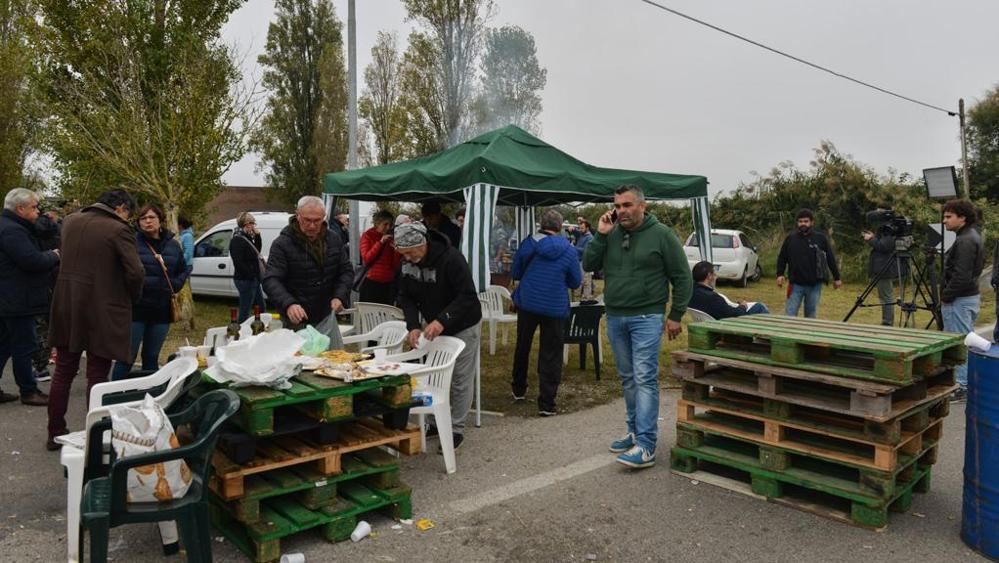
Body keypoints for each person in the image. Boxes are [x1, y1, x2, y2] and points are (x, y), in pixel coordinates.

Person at [582, 185, 692, 469]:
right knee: (628, 378)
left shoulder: (662, 235)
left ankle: (646, 445)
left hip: (647, 316)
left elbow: (682, 276)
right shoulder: (612, 233)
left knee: (644, 378)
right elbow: (589, 262)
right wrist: (601, 235)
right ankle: (634, 431)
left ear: (643, 206)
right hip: (617, 315)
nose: (622, 211)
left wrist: (676, 314)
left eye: (628, 205)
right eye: (618, 206)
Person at [47, 189, 144, 450]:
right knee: (98, 374)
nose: (129, 218)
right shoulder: (118, 229)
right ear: (121, 207)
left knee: (64, 370)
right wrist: (131, 297)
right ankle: (96, 435)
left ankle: (54, 431)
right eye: (129, 213)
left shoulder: (69, 220)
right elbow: (135, 272)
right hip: (102, 307)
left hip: (67, 304)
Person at [395, 222, 481, 450]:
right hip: (432, 325)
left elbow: (467, 297)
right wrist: (413, 325)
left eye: (412, 253)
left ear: (423, 243)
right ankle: (434, 421)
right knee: (433, 375)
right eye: (403, 254)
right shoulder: (405, 263)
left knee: (461, 377)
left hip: (463, 323)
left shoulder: (452, 259)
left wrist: (443, 320)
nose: (409, 258)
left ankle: (456, 429)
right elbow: (406, 297)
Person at [510, 209, 582, 416]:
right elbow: (575, 281)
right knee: (551, 353)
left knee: (522, 345)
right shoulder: (569, 250)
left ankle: (519, 388)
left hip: (528, 302)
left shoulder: (528, 243)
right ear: (560, 227)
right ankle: (547, 403)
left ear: (541, 224)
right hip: (555, 306)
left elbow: (516, 272)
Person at [110, 204, 189, 380]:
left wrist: (173, 285)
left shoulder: (173, 245)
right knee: (126, 358)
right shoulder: (131, 243)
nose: (147, 221)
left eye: (151, 217)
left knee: (151, 358)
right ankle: (112, 396)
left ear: (160, 220)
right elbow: (119, 271)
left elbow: (183, 269)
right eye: (143, 218)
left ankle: (150, 397)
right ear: (138, 223)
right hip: (135, 310)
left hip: (161, 311)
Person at [0, 188, 60, 406]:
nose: (38, 212)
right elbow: (31, 260)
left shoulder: (10, 226)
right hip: (17, 299)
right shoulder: (13, 231)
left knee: (4, 345)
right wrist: (54, 255)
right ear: (20, 208)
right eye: (34, 207)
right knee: (25, 346)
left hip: (10, 297)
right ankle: (28, 390)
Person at [263, 196, 353, 329]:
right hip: (296, 319)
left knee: (331, 350)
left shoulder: (334, 239)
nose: (312, 226)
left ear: (324, 217)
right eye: (307, 220)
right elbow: (271, 279)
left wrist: (339, 296)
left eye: (317, 221)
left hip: (326, 315)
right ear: (297, 215)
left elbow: (346, 271)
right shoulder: (282, 244)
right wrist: (289, 304)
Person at [940, 199, 984, 402]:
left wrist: (946, 296)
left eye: (949, 216)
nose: (944, 220)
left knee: (959, 342)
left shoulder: (965, 240)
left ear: (962, 217)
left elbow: (962, 275)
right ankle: (968, 382)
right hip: (967, 296)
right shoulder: (970, 235)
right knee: (967, 338)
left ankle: (962, 387)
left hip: (960, 298)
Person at [776, 208, 842, 318]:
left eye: (806, 221)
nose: (803, 224)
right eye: (800, 221)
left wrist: (837, 278)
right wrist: (780, 274)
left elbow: (830, 258)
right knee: (789, 315)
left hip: (814, 285)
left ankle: (808, 335)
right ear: (797, 223)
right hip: (795, 284)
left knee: (810, 316)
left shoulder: (821, 238)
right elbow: (782, 257)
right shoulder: (790, 238)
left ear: (812, 222)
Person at [32, 207, 62, 381]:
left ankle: (40, 366)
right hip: (56, 284)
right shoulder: (59, 237)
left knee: (38, 328)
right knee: (56, 325)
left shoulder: (30, 235)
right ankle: (60, 360)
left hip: (36, 286)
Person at [689, 261, 770, 319]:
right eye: (714, 274)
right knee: (759, 307)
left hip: (710, 322)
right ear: (709, 276)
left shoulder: (691, 293)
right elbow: (733, 314)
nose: (716, 277)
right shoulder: (713, 298)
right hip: (725, 326)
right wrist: (743, 306)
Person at [863, 206, 899, 326]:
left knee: (886, 298)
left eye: (879, 211)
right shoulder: (885, 227)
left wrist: (871, 239)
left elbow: (884, 247)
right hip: (881, 268)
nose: (877, 214)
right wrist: (874, 237)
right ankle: (886, 321)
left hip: (885, 269)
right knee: (884, 296)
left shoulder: (889, 229)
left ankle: (887, 323)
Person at [359, 210, 402, 305]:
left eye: (390, 225)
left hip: (388, 284)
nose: (388, 227)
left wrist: (397, 250)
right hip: (371, 283)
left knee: (386, 315)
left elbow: (395, 264)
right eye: (385, 224)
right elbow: (366, 258)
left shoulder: (391, 237)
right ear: (377, 223)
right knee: (369, 315)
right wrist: (380, 242)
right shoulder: (367, 235)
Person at [230, 212, 267, 322]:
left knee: (261, 307)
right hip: (245, 280)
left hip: (252, 279)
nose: (254, 226)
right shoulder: (237, 239)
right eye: (252, 224)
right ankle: (240, 331)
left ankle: (258, 327)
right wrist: (251, 275)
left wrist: (258, 236)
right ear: (246, 224)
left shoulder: (247, 237)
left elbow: (257, 252)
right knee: (245, 309)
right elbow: (238, 262)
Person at [574, 219, 595, 299]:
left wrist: (575, 248)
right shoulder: (582, 235)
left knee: (586, 282)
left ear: (587, 228)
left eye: (582, 228)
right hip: (579, 260)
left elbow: (586, 250)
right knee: (582, 280)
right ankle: (582, 296)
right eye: (580, 228)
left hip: (586, 261)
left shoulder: (590, 237)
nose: (580, 230)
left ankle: (587, 298)